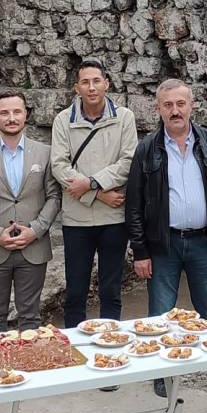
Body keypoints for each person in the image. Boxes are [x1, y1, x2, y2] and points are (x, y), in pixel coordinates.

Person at [126, 79, 207, 396]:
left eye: (180, 104)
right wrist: (140, 251)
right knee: (160, 314)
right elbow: (134, 204)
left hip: (204, 242)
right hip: (164, 244)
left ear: (192, 105)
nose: (175, 111)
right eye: (168, 105)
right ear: (158, 109)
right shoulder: (147, 148)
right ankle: (162, 372)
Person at [51, 60, 138, 328]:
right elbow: (59, 166)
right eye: (85, 82)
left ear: (106, 84)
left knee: (111, 290)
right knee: (75, 291)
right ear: (77, 87)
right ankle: (73, 345)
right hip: (77, 219)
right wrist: (98, 193)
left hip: (113, 217)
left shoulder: (124, 118)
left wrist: (89, 184)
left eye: (96, 81)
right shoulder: (63, 120)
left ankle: (111, 339)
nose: (91, 87)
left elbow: (128, 162)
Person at [0, 91, 61, 334]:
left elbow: (54, 197)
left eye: (17, 112)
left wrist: (36, 230)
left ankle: (28, 359)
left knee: (30, 316)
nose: (11, 118)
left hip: (33, 247)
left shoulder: (45, 153)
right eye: (4, 113)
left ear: (25, 114)